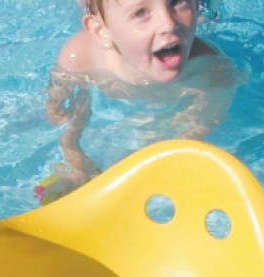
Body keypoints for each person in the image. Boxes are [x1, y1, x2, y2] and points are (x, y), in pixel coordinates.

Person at [35, 0, 241, 204]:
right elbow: (61, 117)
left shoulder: (211, 71)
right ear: (100, 31)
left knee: (209, 18)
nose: (168, 23)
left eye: (177, 2)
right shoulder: (80, 58)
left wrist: (138, 164)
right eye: (141, 13)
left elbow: (195, 128)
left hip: (201, 17)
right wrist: (77, 165)